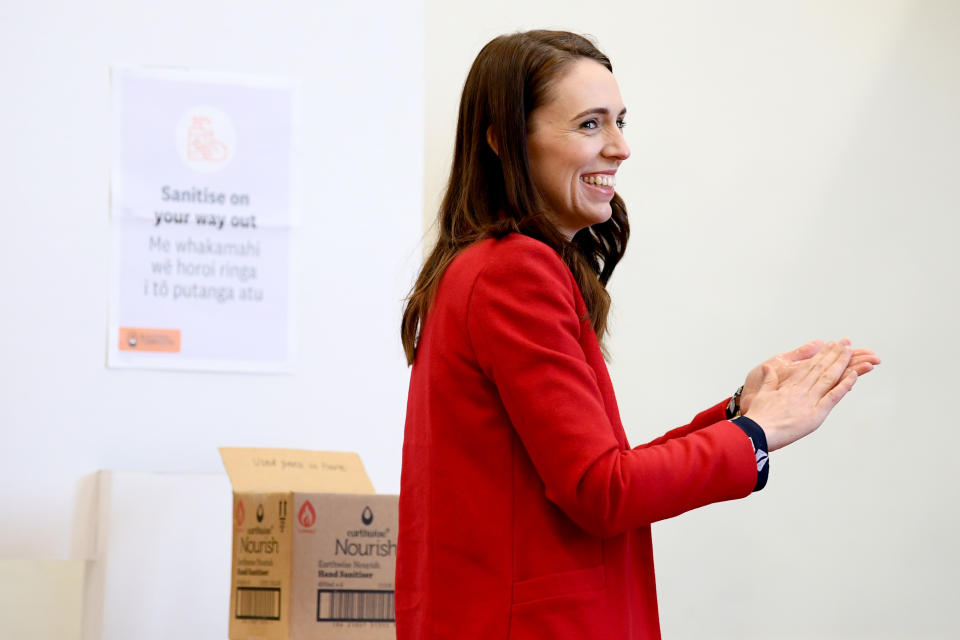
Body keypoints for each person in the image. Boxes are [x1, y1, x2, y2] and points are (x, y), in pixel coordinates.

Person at [396, 30, 879, 639]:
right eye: (590, 125)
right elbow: (603, 492)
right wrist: (761, 432)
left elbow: (597, 470)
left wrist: (737, 414)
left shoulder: (483, 266)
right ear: (504, 140)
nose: (621, 147)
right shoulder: (512, 271)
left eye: (619, 121)